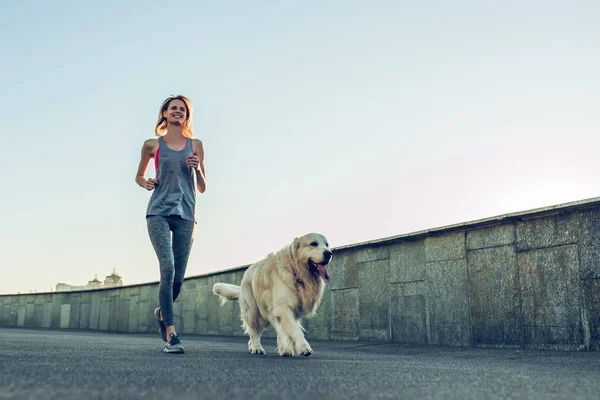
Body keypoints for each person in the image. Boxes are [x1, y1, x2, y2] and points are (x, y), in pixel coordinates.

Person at [135, 94, 207, 353]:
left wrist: (197, 168)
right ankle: (171, 334)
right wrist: (147, 183)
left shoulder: (195, 145)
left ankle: (162, 311)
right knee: (167, 267)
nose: (178, 111)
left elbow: (203, 186)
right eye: (173, 108)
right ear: (164, 113)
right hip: (158, 212)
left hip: (186, 214)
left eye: (182, 109)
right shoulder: (152, 145)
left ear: (187, 116)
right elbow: (139, 175)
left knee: (178, 277)